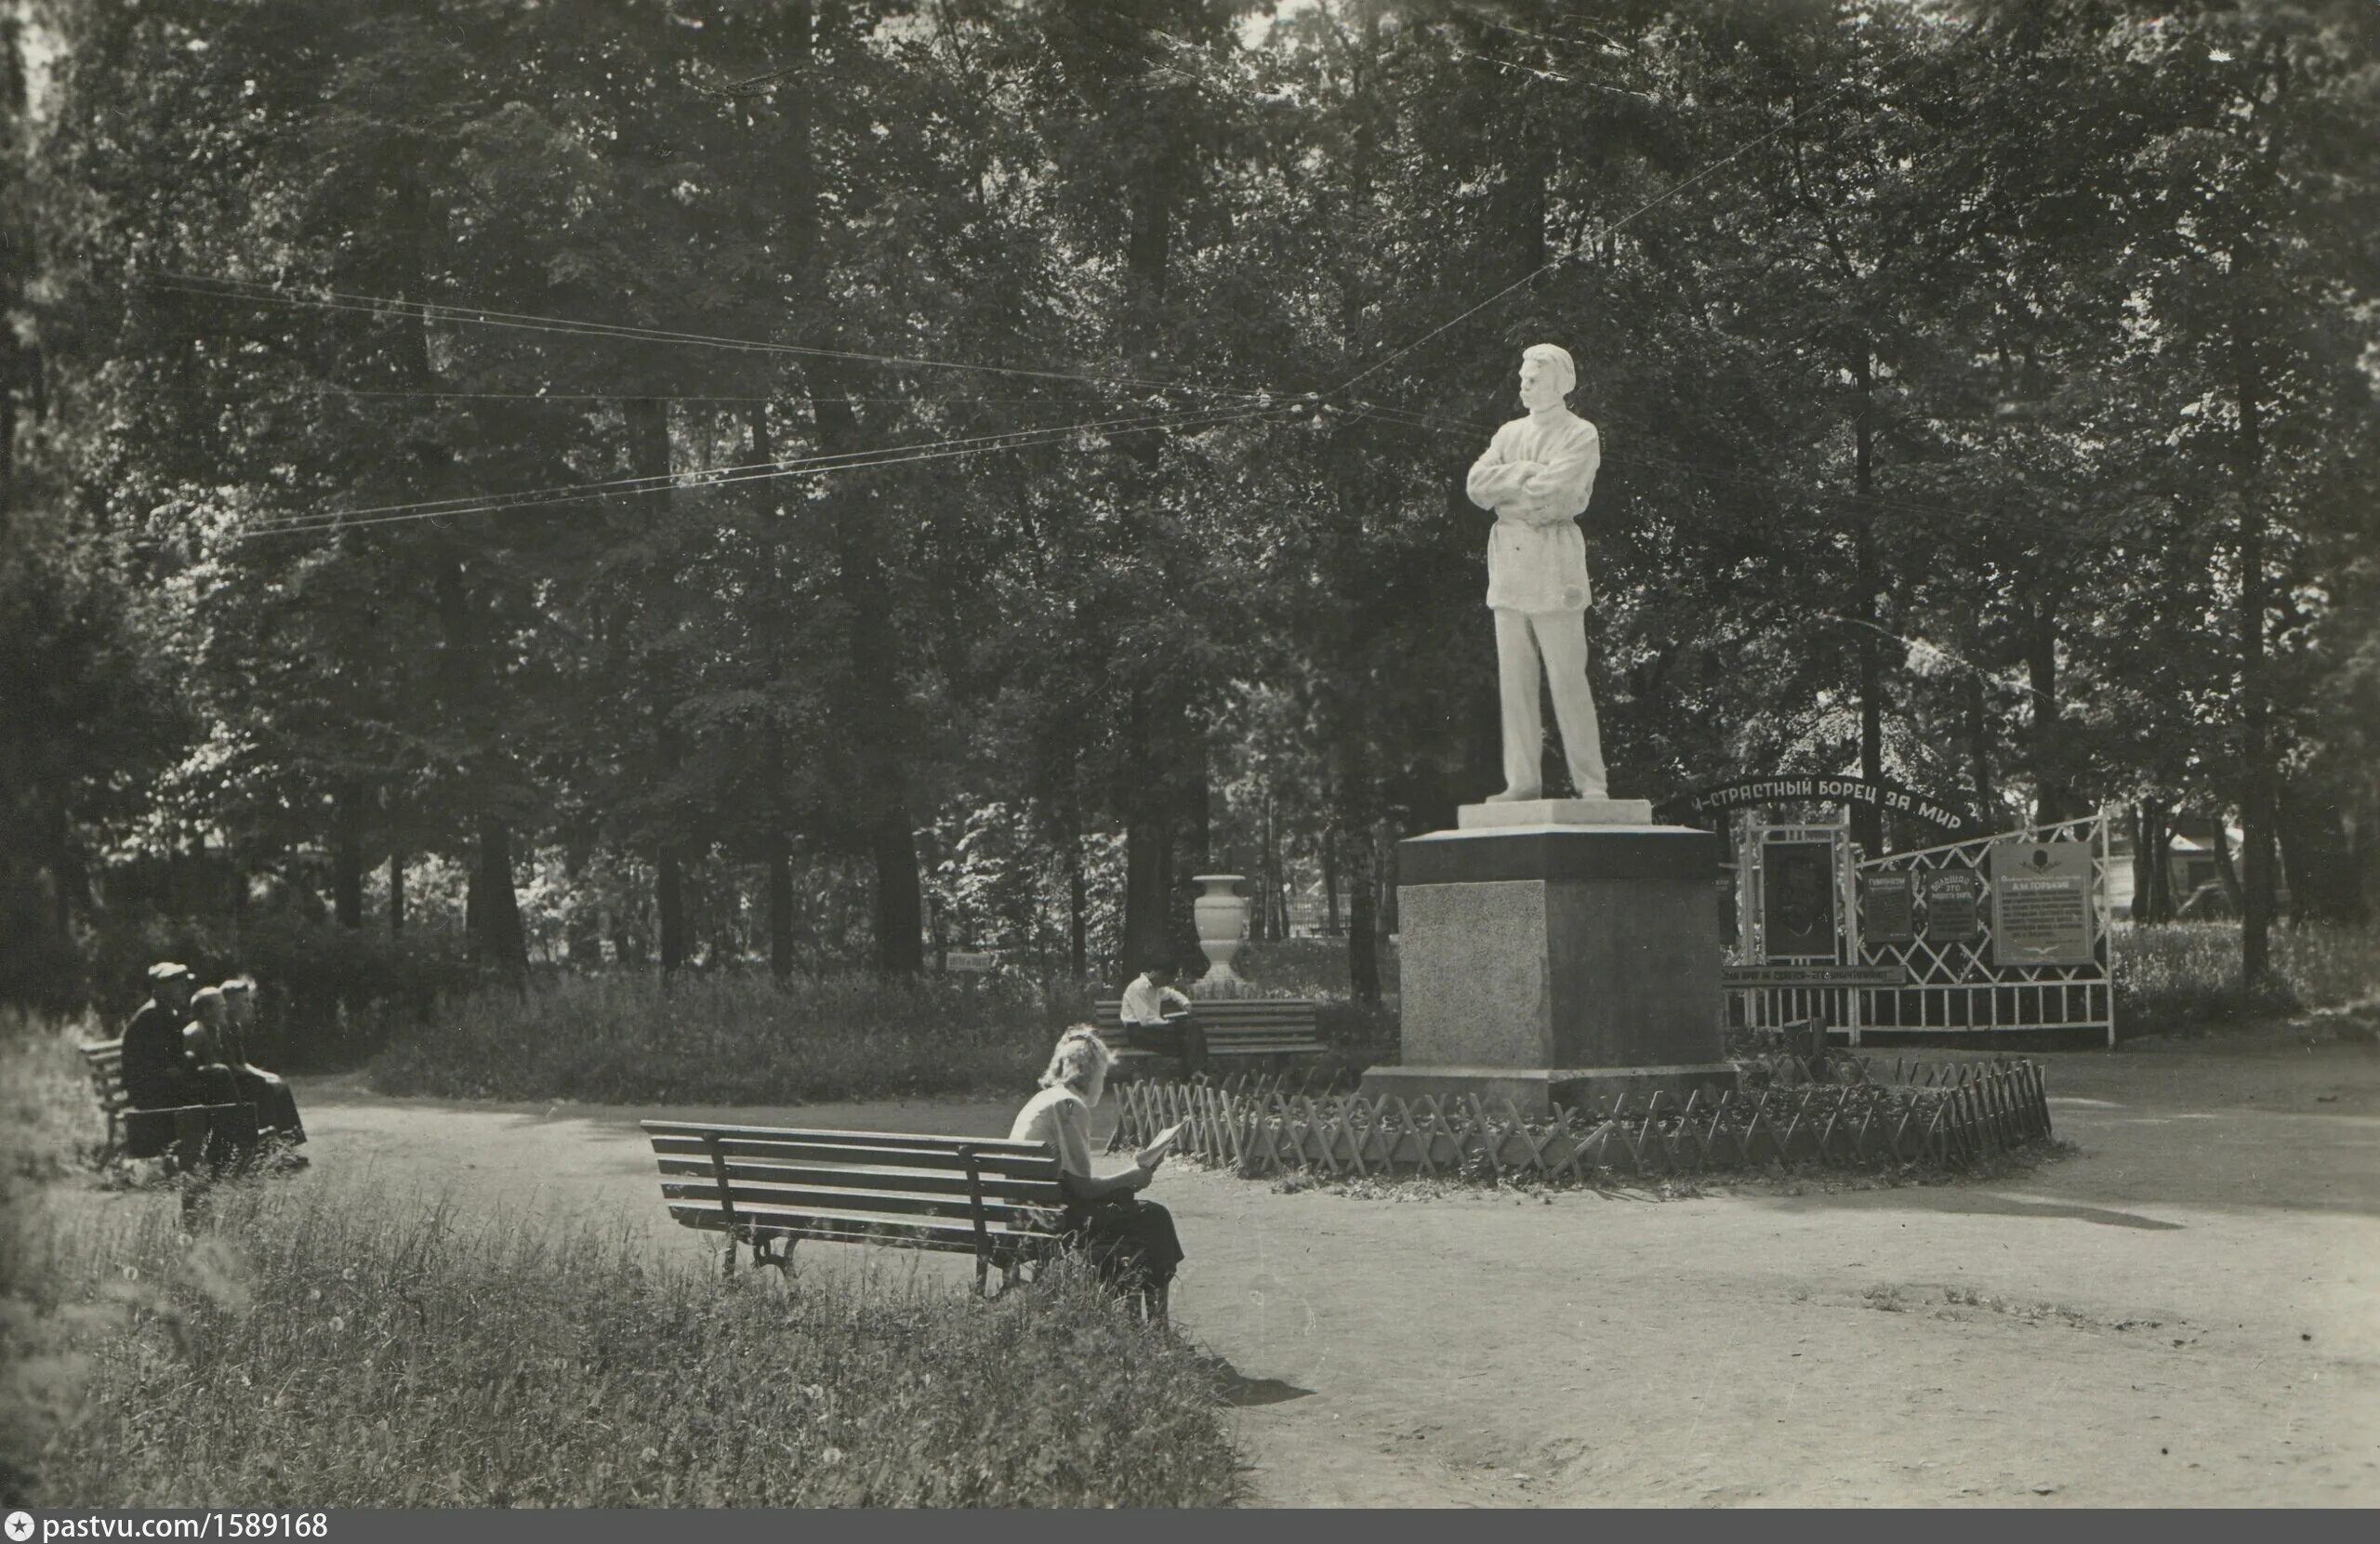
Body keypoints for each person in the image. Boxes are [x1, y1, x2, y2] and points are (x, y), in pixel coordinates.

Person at [1465, 342, 1610, 802]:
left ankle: (1591, 783)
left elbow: (1556, 495)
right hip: (1510, 561)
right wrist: (1525, 472)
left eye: (1534, 378)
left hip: (1554, 560)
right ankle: (1522, 781)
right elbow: (1475, 485)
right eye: (1523, 378)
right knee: (1515, 681)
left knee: (1568, 677)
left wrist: (1509, 487)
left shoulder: (1580, 433)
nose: (1524, 385)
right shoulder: (1508, 434)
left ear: (1560, 384)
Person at [1009, 1026, 1185, 1323]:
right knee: (1155, 1218)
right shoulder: (1070, 1106)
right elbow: (1083, 1189)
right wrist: (1132, 1176)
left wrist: (1124, 1185)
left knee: (1136, 1212)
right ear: (1090, 1073)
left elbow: (1071, 1183)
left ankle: (1143, 1322)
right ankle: (1157, 1327)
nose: (1102, 1084)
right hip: (1055, 1220)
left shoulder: (1042, 1100)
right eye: (1102, 1075)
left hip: (1027, 1213)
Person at [121, 962, 239, 1110]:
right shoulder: (151, 1017)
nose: (185, 989)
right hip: (150, 1091)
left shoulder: (167, 1013)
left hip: (162, 1083)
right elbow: (164, 1066)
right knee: (218, 1076)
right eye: (180, 985)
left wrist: (190, 1060)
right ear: (162, 989)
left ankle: (232, 1127)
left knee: (218, 1074)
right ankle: (233, 1129)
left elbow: (175, 1058)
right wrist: (189, 1064)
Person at [219, 975, 308, 1155]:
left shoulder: (234, 1025)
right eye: (244, 1001)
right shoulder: (221, 1026)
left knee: (279, 1085)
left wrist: (268, 1075)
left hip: (237, 1075)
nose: (248, 1005)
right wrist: (262, 1077)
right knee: (263, 1087)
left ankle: (287, 1145)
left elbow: (242, 1062)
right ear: (228, 1002)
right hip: (227, 1082)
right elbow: (231, 1065)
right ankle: (269, 1146)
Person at [1117, 960, 1206, 1076]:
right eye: (1168, 980)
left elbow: (1173, 993)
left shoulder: (1156, 987)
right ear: (1160, 974)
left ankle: (1194, 1075)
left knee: (1189, 1036)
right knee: (1189, 1034)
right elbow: (1146, 1020)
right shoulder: (1138, 988)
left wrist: (1185, 1004)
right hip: (1139, 1032)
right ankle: (1196, 1074)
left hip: (1154, 1031)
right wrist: (1170, 1023)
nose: (1167, 984)